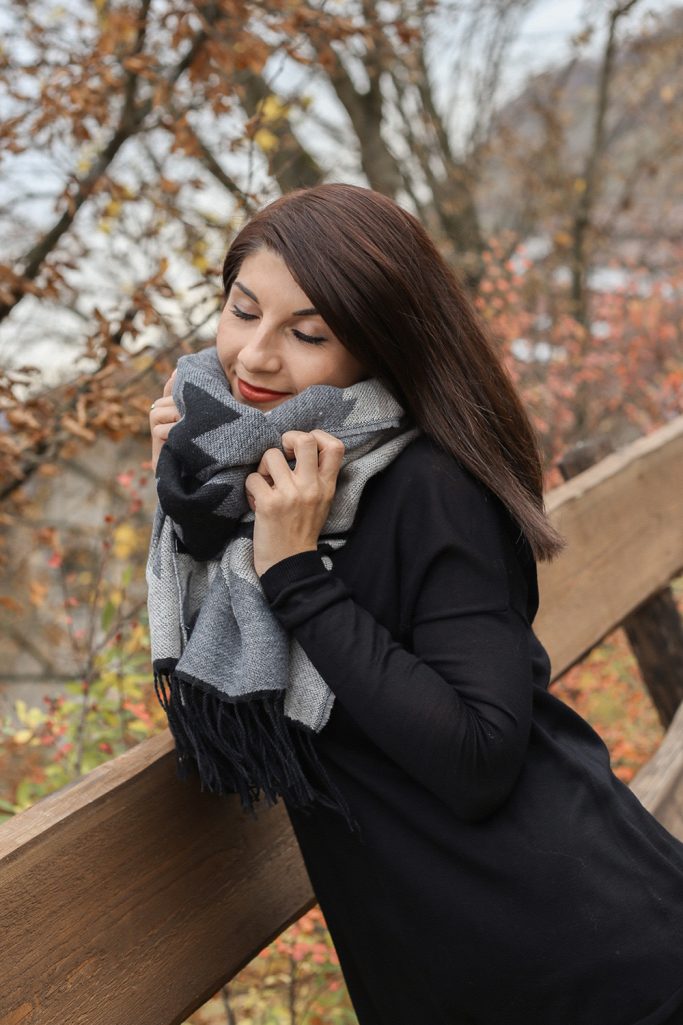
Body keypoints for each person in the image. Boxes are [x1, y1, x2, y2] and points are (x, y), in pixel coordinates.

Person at [148, 183, 683, 1025]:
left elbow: (477, 759)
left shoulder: (429, 486)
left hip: (587, 963)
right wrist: (193, 497)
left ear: (378, 346)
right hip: (446, 966)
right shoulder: (267, 484)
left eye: (308, 333)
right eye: (242, 309)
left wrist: (296, 573)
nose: (253, 355)